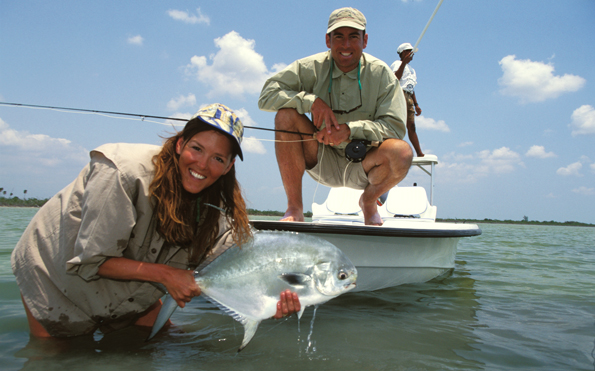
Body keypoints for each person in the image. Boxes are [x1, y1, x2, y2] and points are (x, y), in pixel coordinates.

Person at [11, 103, 299, 339]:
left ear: (228, 166)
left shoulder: (217, 209)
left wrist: (265, 300)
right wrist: (167, 275)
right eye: (196, 148)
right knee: (58, 362)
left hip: (132, 288)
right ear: (179, 143)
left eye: (217, 158)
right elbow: (92, 261)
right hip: (55, 277)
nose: (202, 165)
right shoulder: (121, 172)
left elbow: (235, 259)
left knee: (162, 341)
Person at [258, 7, 413, 226]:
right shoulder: (310, 67)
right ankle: (294, 208)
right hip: (321, 158)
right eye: (338, 37)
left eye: (353, 37)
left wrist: (349, 130)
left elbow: (395, 128)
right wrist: (310, 101)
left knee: (403, 152)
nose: (346, 45)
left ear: (365, 40)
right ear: (327, 40)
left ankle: (368, 202)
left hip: (365, 164)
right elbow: (266, 97)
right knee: (285, 116)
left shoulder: (382, 74)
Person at [391, 42, 424, 157]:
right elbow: (395, 79)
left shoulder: (412, 70)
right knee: (398, 125)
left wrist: (416, 104)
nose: (412, 55)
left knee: (412, 126)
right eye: (410, 52)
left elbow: (411, 87)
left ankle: (419, 152)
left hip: (409, 97)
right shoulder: (397, 64)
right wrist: (403, 63)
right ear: (403, 53)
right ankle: (393, 151)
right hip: (399, 95)